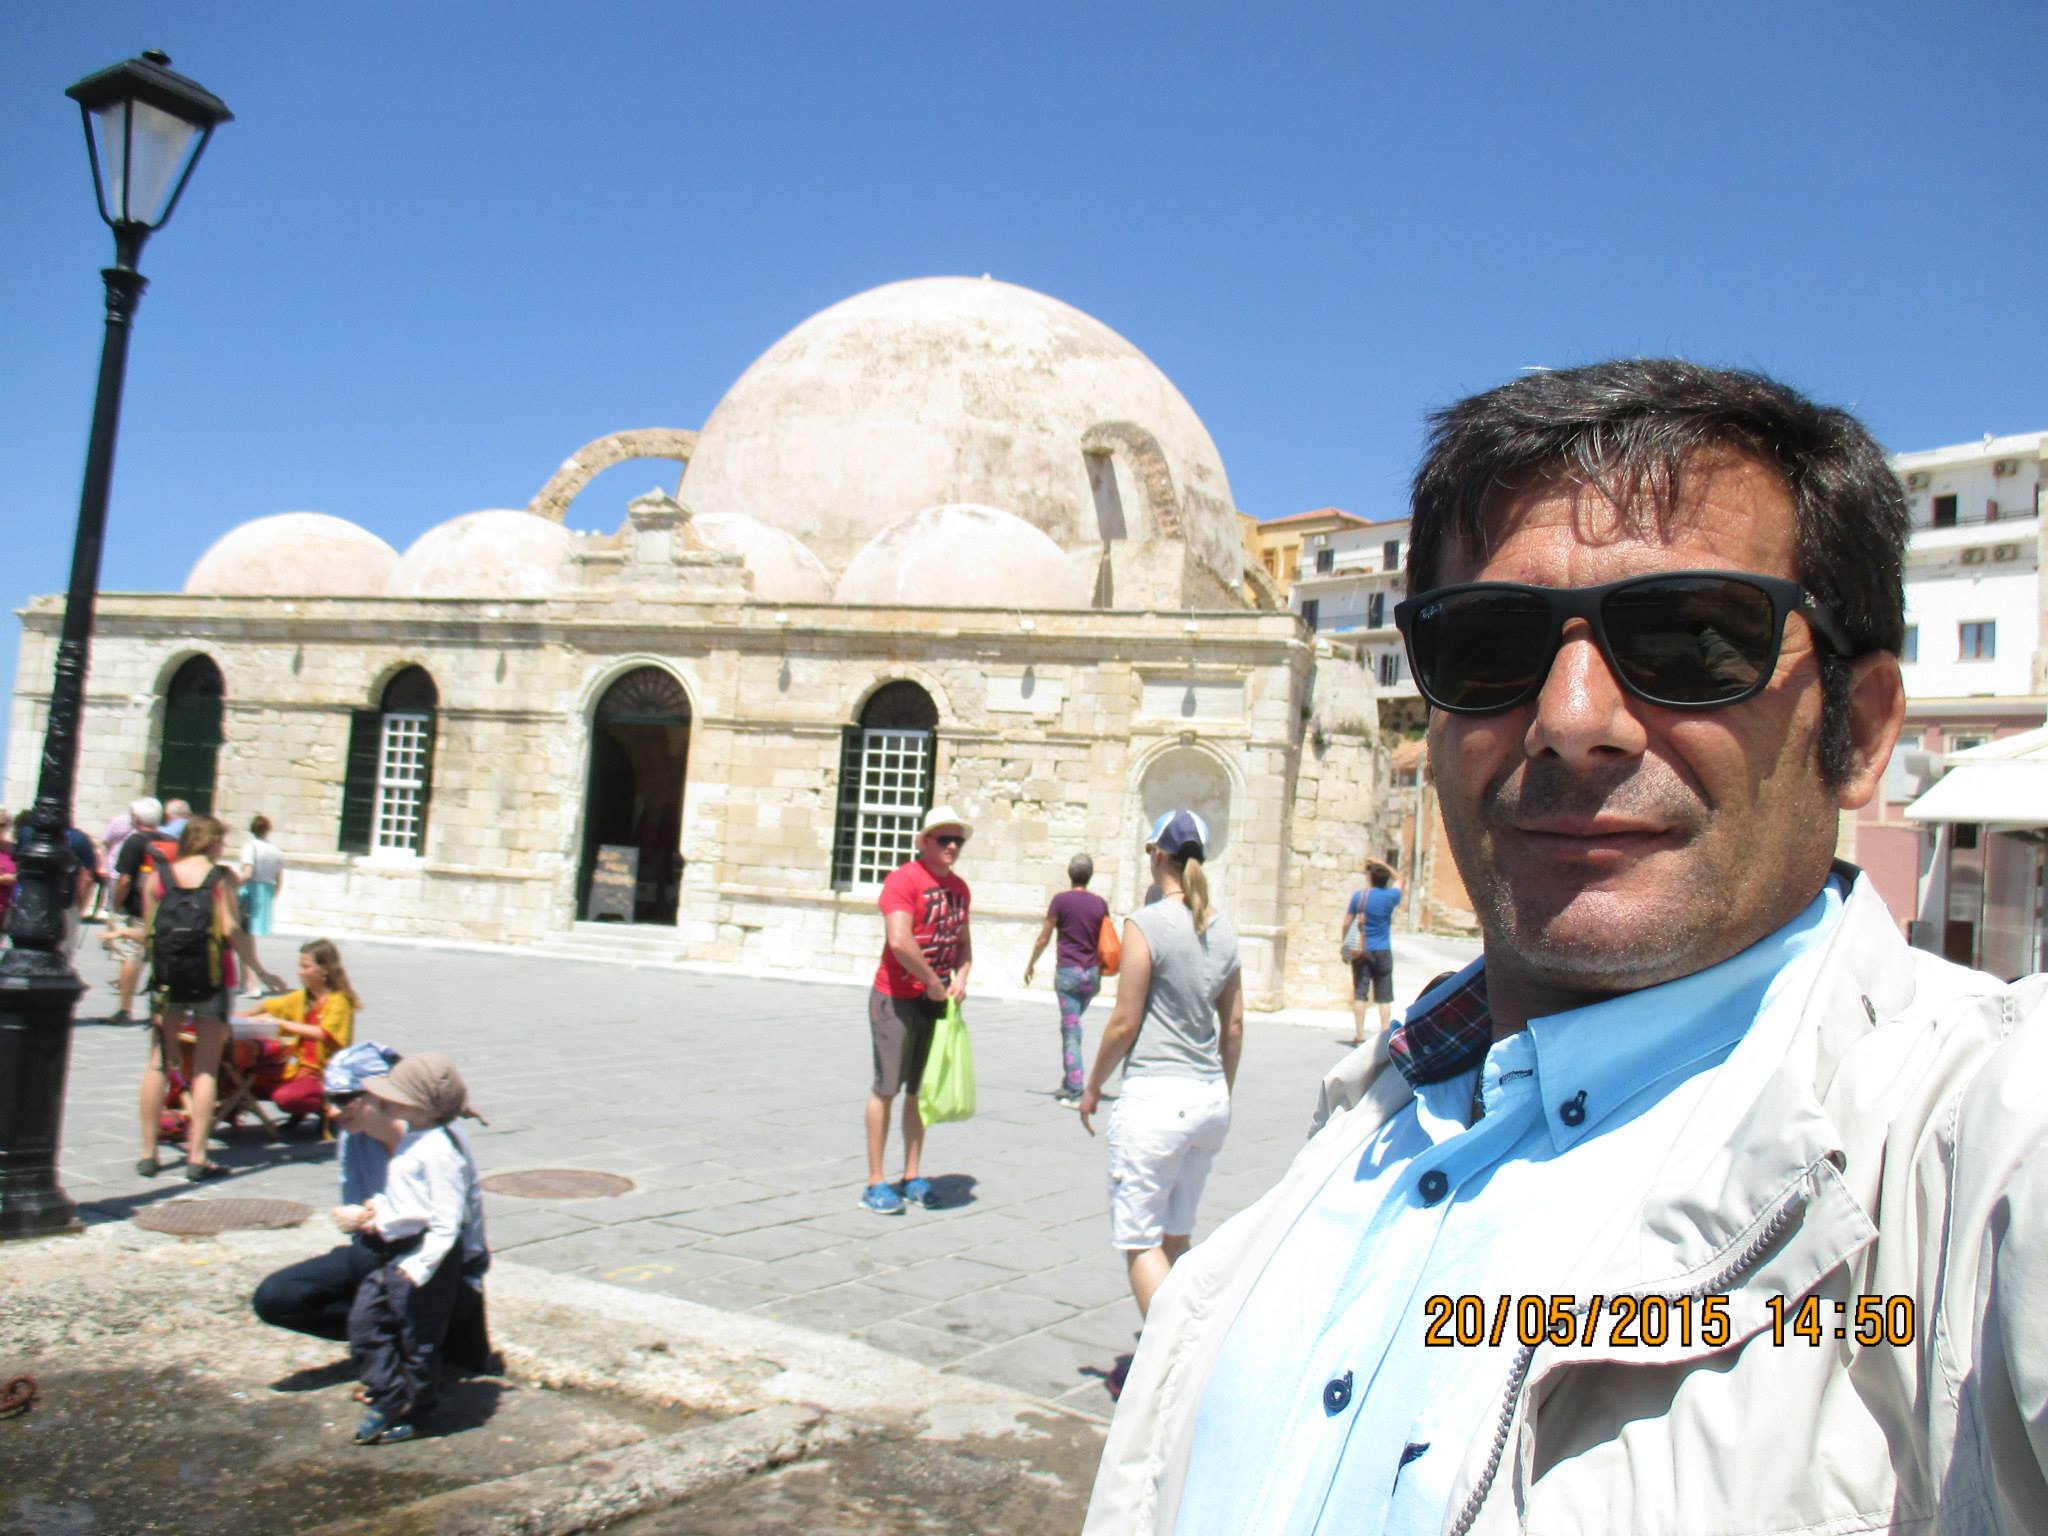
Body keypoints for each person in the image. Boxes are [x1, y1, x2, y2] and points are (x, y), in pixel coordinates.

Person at [1087, 360, 2048, 1534]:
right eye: (1488, 644)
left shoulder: (1967, 1147)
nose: (1570, 720)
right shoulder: (1374, 1114)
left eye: (1692, 639)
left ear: (1854, 729)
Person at [1078, 810, 1242, 1394]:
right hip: (1207, 1098)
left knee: (1141, 1241)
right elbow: (1233, 1025)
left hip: (1156, 1097)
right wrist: (1221, 1089)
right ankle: (1184, 1349)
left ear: (1156, 855)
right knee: (1176, 1237)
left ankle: (1178, 1367)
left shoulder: (1145, 924)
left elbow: (1124, 1021)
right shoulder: (1223, 929)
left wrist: (1092, 1085)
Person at [341, 1052, 489, 1445]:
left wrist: (422, 1265)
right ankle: (389, 1393)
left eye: (396, 1095)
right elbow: (410, 1200)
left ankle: (415, 1410)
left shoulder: (439, 1151)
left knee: (416, 1337)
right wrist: (380, 1212)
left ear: (420, 1105)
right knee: (367, 1322)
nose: (385, 1101)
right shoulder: (414, 1138)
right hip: (396, 1248)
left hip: (423, 1255)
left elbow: (447, 1220)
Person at [135, 813, 283, 1181]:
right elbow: (231, 928)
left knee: (159, 1063)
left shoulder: (157, 877)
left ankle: (148, 1153)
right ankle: (197, 1155)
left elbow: (149, 932)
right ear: (213, 841)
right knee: (205, 1067)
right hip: (212, 978)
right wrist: (260, 970)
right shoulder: (221, 878)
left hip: (168, 979)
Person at [862, 805, 973, 1215]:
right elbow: (900, 940)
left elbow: (963, 943)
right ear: (924, 841)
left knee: (920, 1090)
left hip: (935, 1000)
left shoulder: (960, 889)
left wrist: (961, 977)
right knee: (887, 1087)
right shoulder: (903, 880)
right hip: (896, 997)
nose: (952, 847)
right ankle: (875, 1181)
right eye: (944, 839)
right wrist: (931, 980)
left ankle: (912, 1174)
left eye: (957, 840)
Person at [1025, 853, 1110, 1104]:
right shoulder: (1100, 904)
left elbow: (1044, 937)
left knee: (1071, 1029)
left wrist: (1031, 963)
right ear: (1090, 876)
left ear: (1070, 874)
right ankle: (1068, 1079)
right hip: (1091, 976)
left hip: (1068, 974)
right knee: (1072, 1024)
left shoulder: (1060, 901)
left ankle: (1074, 1087)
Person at [241, 938, 357, 1122]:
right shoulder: (303, 997)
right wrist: (241, 1016)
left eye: (305, 967)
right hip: (298, 1067)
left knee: (285, 1097)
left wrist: (281, 1023)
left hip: (323, 1073)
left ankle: (327, 1104)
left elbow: (322, 1033)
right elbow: (271, 1006)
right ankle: (302, 1103)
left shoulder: (339, 1002)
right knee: (249, 1080)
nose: (300, 972)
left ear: (324, 969)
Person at [104, 796, 166, 1026]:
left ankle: (125, 1009)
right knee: (158, 959)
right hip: (162, 908)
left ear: (136, 818)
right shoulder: (168, 840)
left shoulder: (134, 842)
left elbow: (125, 879)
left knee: (130, 957)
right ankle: (158, 1010)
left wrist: (116, 906)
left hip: (136, 908)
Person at [1339, 855, 1402, 1046]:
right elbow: (1399, 878)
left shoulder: (1359, 897)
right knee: (1384, 996)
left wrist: (1345, 942)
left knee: (1360, 993)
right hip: (1383, 949)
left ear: (1370, 878)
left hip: (1362, 951)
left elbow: (1347, 922)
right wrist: (1381, 863)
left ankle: (1359, 1035)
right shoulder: (1391, 896)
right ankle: (1384, 1036)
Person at [238, 814, 285, 954]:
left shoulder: (250, 847)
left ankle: (246, 961)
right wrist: (274, 895)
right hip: (267, 891)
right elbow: (279, 878)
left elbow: (247, 873)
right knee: (253, 931)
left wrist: (233, 885)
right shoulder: (275, 850)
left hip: (251, 891)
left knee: (245, 929)